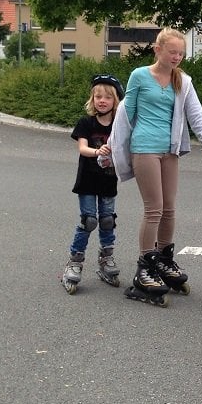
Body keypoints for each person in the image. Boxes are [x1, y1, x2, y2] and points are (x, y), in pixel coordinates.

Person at [110, 28, 202, 306]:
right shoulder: (139, 76)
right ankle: (145, 266)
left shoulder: (182, 80)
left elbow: (195, 112)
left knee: (169, 208)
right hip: (144, 147)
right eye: (172, 52)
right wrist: (112, 146)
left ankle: (164, 259)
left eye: (181, 53)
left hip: (170, 150)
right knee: (154, 209)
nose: (177, 57)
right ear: (157, 50)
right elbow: (125, 114)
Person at [61, 74, 124, 295]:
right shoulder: (86, 123)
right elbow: (82, 148)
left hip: (108, 180)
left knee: (107, 221)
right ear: (92, 99)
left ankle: (106, 259)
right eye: (98, 96)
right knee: (89, 221)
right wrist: (98, 151)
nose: (102, 101)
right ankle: (75, 261)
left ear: (116, 100)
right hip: (88, 180)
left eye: (107, 97)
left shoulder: (119, 125)